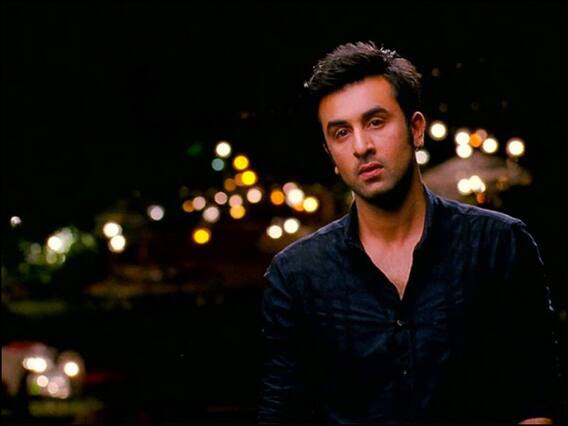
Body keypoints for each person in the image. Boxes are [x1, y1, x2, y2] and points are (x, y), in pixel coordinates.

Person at [258, 41, 559, 424]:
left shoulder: (499, 244)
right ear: (330, 153)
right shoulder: (296, 275)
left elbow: (535, 401)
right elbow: (282, 412)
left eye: (375, 122)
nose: (361, 147)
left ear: (416, 129)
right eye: (341, 133)